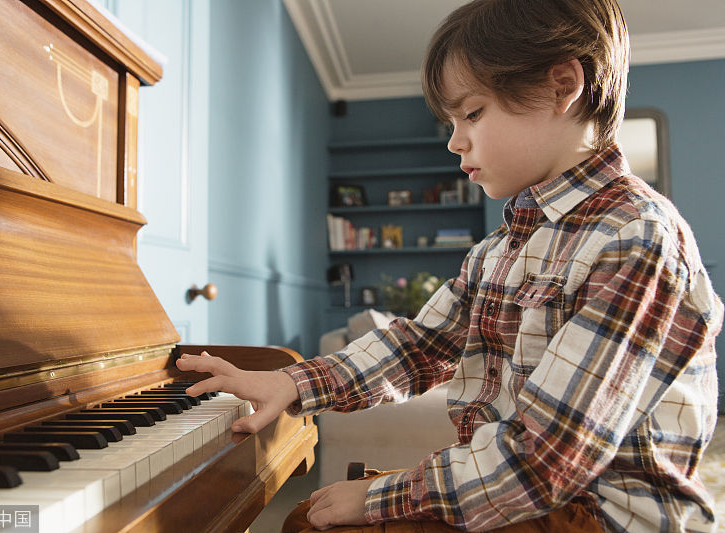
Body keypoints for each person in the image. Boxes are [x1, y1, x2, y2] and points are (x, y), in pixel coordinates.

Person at [177, 0, 724, 530]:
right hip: (529, 493)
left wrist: (380, 495)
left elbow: (545, 459)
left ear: (562, 87)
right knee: (310, 514)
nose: (455, 141)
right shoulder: (501, 248)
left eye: (472, 113)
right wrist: (291, 384)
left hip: (598, 514)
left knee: (315, 522)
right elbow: (421, 345)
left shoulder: (636, 238)